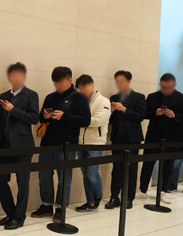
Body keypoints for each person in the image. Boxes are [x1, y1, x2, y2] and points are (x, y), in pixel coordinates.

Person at [31, 66, 90, 223]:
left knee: (64, 178)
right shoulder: (51, 97)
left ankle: (60, 208)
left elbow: (85, 120)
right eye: (55, 83)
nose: (57, 86)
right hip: (47, 143)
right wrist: (45, 116)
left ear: (70, 80)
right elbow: (40, 117)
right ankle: (46, 206)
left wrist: (64, 116)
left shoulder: (79, 98)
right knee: (44, 175)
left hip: (66, 144)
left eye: (60, 83)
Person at [0, 62, 39, 230]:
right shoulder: (4, 95)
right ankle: (10, 213)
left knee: (22, 184)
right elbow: (0, 120)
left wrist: (14, 110)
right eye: (12, 75)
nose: (15, 78)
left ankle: (19, 217)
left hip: (23, 146)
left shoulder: (31, 95)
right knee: (0, 180)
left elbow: (34, 118)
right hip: (4, 146)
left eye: (19, 75)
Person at [138, 73, 183, 203]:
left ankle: (163, 191)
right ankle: (143, 190)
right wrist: (155, 113)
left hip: (172, 137)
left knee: (168, 165)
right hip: (153, 135)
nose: (166, 90)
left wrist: (174, 115)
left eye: (169, 87)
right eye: (163, 87)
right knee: (147, 163)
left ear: (174, 85)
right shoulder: (152, 97)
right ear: (160, 84)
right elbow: (144, 114)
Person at [106, 70, 146, 210]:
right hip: (117, 137)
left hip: (133, 139)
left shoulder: (139, 97)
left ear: (129, 81)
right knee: (116, 168)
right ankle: (114, 196)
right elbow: (110, 120)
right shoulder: (114, 97)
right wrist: (110, 112)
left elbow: (140, 116)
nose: (119, 84)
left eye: (121, 81)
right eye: (117, 81)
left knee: (132, 168)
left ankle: (129, 198)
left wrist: (124, 109)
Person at [74, 74, 111, 212]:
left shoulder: (103, 101)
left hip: (95, 142)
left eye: (84, 87)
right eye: (80, 88)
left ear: (92, 85)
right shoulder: (79, 101)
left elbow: (98, 121)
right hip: (80, 142)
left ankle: (98, 196)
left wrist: (79, 120)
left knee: (92, 173)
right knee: (85, 174)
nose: (82, 91)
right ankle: (90, 202)